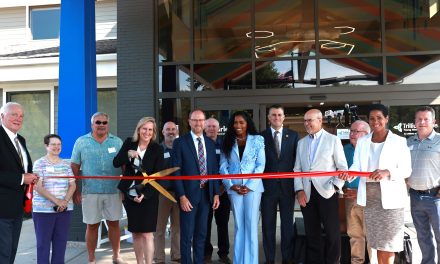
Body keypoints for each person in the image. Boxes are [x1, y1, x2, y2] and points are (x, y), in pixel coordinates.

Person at [340, 104, 411, 264]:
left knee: (387, 246)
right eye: (372, 118)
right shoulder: (363, 141)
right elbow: (356, 166)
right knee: (376, 245)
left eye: (379, 117)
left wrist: (387, 172)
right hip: (370, 202)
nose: (375, 121)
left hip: (391, 203)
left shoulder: (399, 141)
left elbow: (406, 169)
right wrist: (349, 174)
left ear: (387, 119)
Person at [294, 109, 347, 264]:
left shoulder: (333, 140)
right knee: (312, 234)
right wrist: (299, 190)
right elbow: (297, 169)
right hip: (307, 194)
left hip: (327, 193)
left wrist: (336, 188)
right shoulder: (301, 143)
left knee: (332, 233)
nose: (307, 124)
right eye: (305, 121)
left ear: (320, 120)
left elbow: (342, 167)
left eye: (310, 120)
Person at [71, 112, 125, 264]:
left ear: (108, 124)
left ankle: (116, 256)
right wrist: (76, 189)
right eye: (98, 122)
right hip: (90, 191)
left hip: (113, 190)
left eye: (104, 122)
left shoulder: (117, 142)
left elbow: (124, 166)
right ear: (92, 124)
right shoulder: (81, 142)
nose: (101, 125)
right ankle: (91, 259)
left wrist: (125, 188)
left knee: (114, 224)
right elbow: (74, 166)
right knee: (92, 225)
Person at [171, 109, 220, 264]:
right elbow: (176, 172)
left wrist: (216, 193)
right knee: (186, 236)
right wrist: (182, 196)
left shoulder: (210, 144)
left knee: (201, 234)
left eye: (201, 120)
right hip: (188, 197)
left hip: (207, 196)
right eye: (195, 120)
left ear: (204, 122)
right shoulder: (180, 143)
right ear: (189, 121)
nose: (198, 123)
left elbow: (214, 171)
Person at [113, 117, 164, 264]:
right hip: (129, 194)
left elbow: (158, 175)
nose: (147, 132)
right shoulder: (130, 142)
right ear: (139, 129)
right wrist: (128, 154)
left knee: (148, 234)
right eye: (144, 129)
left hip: (148, 195)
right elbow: (116, 162)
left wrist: (144, 194)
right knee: (135, 233)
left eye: (150, 130)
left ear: (153, 132)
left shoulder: (157, 149)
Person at [220, 111, 265, 264]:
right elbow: (222, 166)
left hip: (253, 188)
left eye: (241, 122)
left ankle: (251, 261)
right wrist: (231, 185)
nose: (238, 125)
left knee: (251, 226)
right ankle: (239, 261)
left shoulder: (258, 140)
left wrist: (249, 185)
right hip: (234, 189)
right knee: (239, 226)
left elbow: (261, 165)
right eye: (235, 123)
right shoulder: (227, 140)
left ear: (247, 124)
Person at [0, 102, 39, 264]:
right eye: (14, 114)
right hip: (1, 209)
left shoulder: (20, 140)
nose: (18, 118)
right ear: (2, 116)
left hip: (17, 208)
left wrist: (30, 176)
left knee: (10, 252)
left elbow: (21, 167)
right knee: (3, 253)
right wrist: (22, 178)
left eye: (21, 115)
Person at [261, 104, 298, 264]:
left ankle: (287, 258)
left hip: (287, 187)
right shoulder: (260, 137)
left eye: (279, 115)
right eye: (273, 115)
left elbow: (296, 161)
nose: (277, 117)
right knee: (268, 226)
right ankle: (269, 259)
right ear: (269, 118)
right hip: (267, 188)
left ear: (284, 117)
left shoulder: (294, 135)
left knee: (287, 226)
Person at [32, 134, 76, 264]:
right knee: (43, 244)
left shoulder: (66, 164)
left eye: (59, 144)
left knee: (61, 243)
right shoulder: (39, 163)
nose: (56, 147)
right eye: (53, 144)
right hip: (43, 211)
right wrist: (57, 201)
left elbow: (72, 184)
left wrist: (65, 201)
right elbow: (38, 187)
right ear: (46, 146)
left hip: (64, 209)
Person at [407, 106, 440, 264]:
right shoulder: (409, 141)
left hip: (435, 197)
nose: (422, 122)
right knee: (422, 236)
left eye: (426, 119)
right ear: (414, 122)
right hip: (415, 196)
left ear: (434, 122)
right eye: (419, 119)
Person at [343, 120, 372, 264]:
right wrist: (343, 189)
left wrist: (360, 191)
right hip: (349, 198)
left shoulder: (373, 149)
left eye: (356, 131)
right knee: (354, 235)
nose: (352, 134)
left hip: (369, 198)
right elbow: (340, 173)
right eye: (351, 131)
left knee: (371, 235)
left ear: (367, 134)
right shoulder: (344, 149)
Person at [204, 117, 231, 264]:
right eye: (209, 126)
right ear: (204, 128)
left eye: (214, 126)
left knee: (223, 224)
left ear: (218, 128)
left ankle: (223, 253)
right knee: (205, 223)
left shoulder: (224, 145)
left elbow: (228, 166)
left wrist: (223, 186)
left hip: (222, 190)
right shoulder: (201, 145)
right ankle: (206, 253)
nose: (211, 129)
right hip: (205, 191)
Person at [154, 121, 180, 264]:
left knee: (177, 228)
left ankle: (176, 256)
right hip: (162, 194)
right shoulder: (157, 150)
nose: (171, 132)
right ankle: (159, 258)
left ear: (176, 131)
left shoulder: (181, 148)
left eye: (173, 129)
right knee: (159, 229)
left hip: (179, 194)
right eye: (167, 129)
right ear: (162, 132)